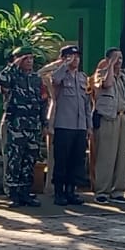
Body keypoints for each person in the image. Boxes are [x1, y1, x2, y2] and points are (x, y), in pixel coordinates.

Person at [43, 44, 93, 206]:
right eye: (72, 57)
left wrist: (88, 125)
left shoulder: (82, 77)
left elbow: (86, 103)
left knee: (76, 160)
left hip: (79, 126)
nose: (76, 60)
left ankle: (71, 191)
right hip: (64, 124)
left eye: (77, 57)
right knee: (62, 161)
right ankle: (59, 192)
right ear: (64, 58)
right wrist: (64, 65)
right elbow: (54, 80)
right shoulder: (60, 76)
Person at [0, 47, 46, 207]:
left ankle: (25, 192)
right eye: (26, 59)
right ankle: (12, 194)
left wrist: (43, 122)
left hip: (32, 126)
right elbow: (3, 81)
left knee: (29, 160)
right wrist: (15, 63)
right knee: (14, 160)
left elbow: (42, 102)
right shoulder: (10, 75)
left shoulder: (35, 78)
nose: (30, 62)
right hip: (15, 125)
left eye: (31, 58)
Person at [90, 47, 125, 204]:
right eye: (115, 58)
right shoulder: (101, 74)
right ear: (107, 59)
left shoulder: (124, 78)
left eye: (120, 58)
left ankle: (118, 190)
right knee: (106, 155)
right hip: (108, 118)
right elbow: (105, 85)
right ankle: (102, 190)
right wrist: (110, 66)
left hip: (122, 118)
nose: (119, 62)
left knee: (121, 156)